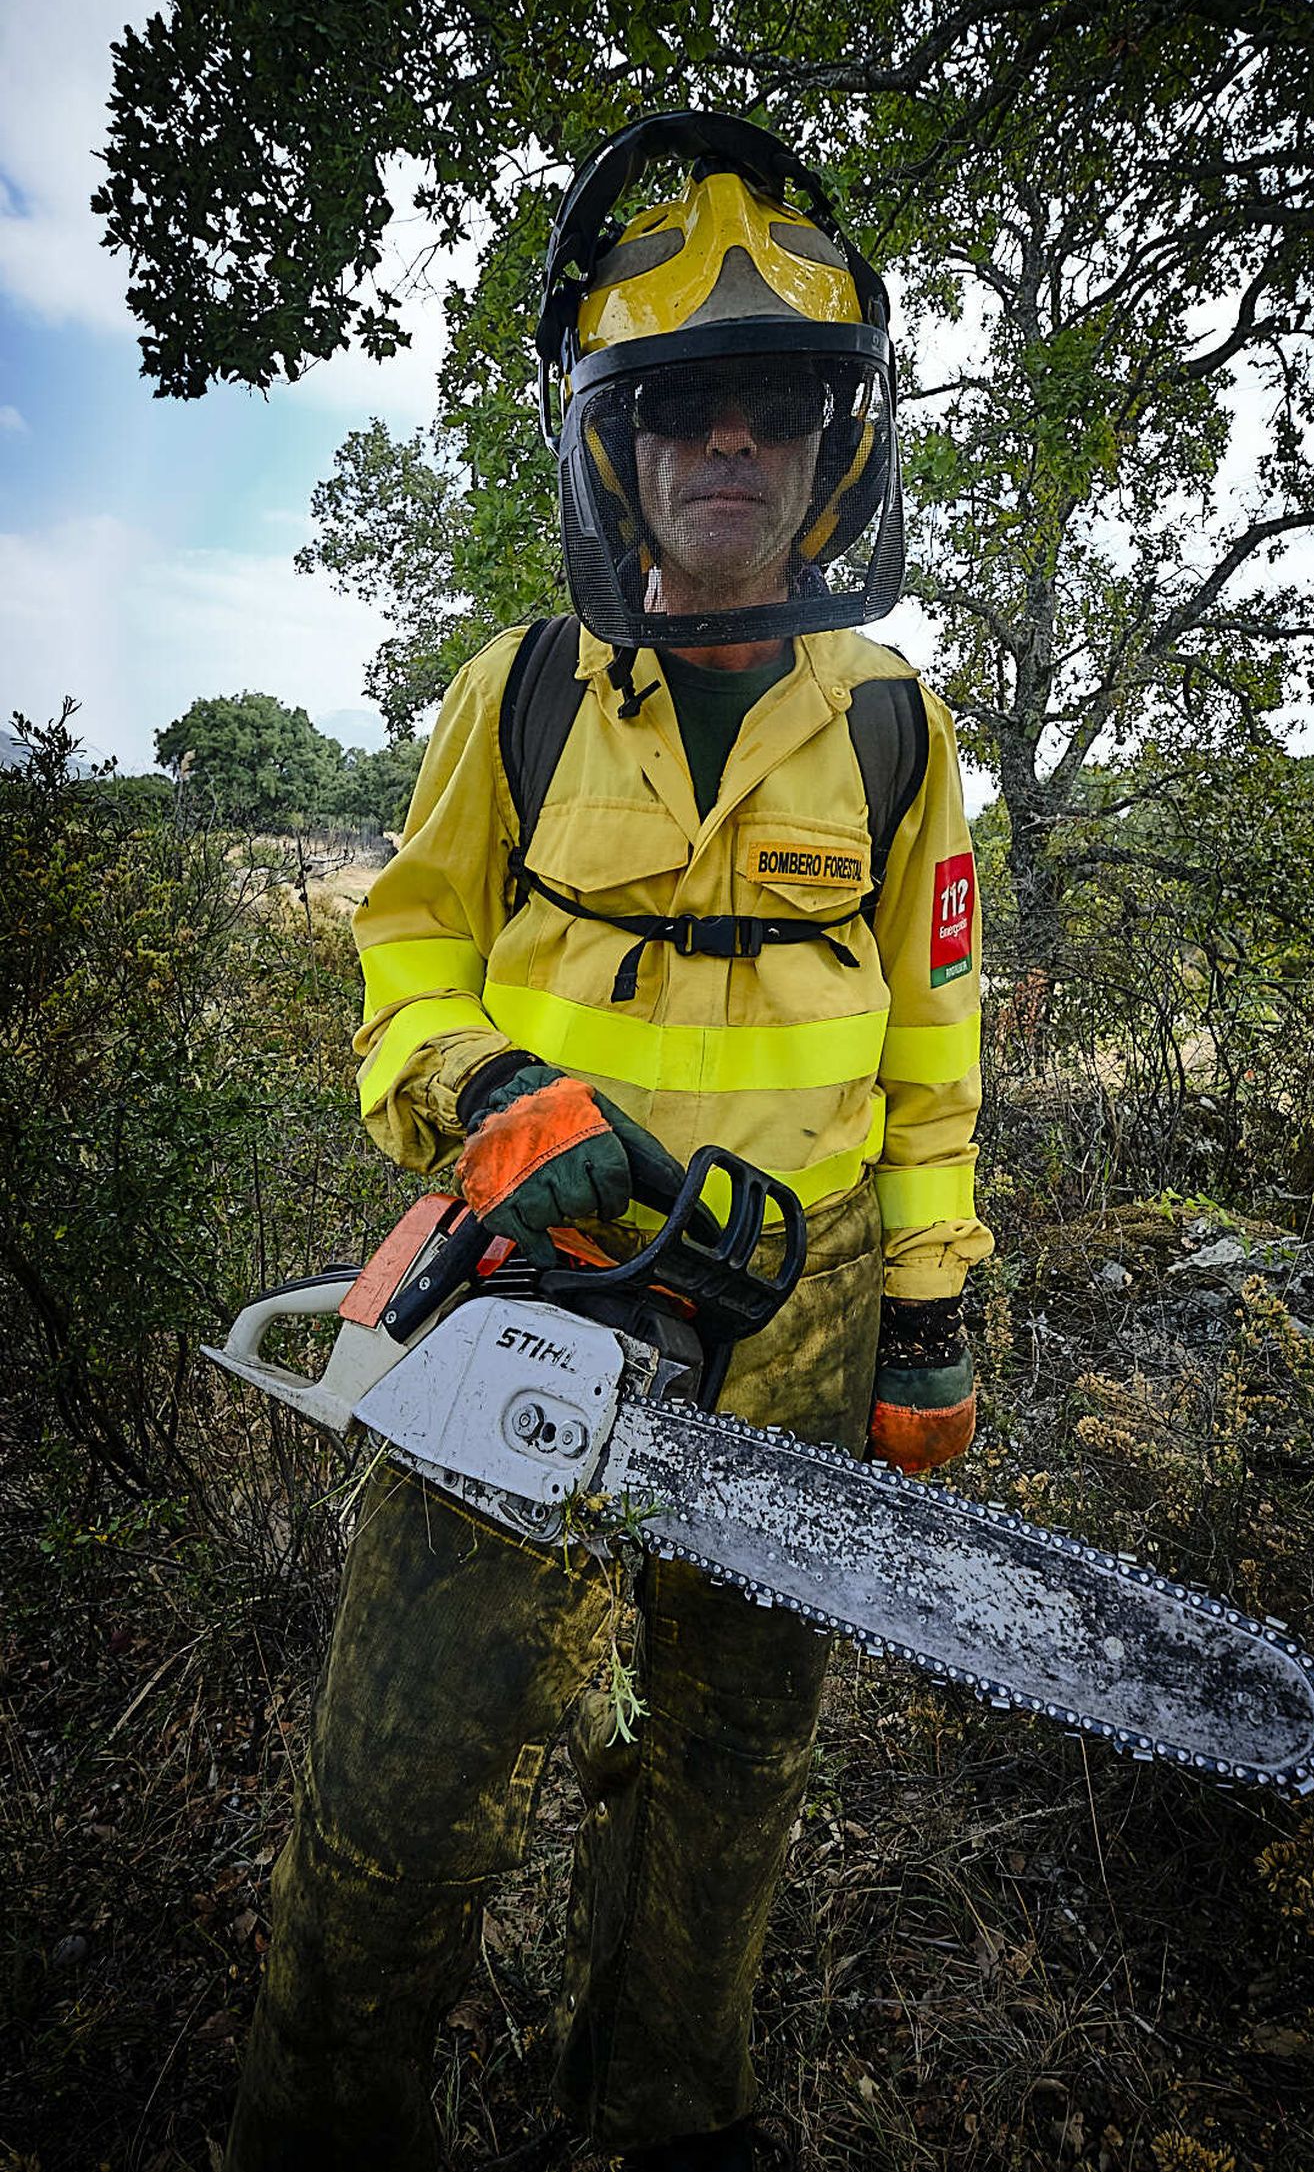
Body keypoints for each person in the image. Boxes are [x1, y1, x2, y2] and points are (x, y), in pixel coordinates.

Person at [225, 112, 992, 2172]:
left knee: (730, 1752)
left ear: (835, 449)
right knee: (406, 1779)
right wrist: (488, 1098)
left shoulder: (901, 725)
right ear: (615, 448)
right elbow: (399, 962)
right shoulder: (525, 692)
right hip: (544, 1285)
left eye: (770, 406)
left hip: (804, 1294)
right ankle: (320, 2124)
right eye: (678, 409)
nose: (724, 443)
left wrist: (922, 1317)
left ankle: (661, 2115)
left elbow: (932, 1036)